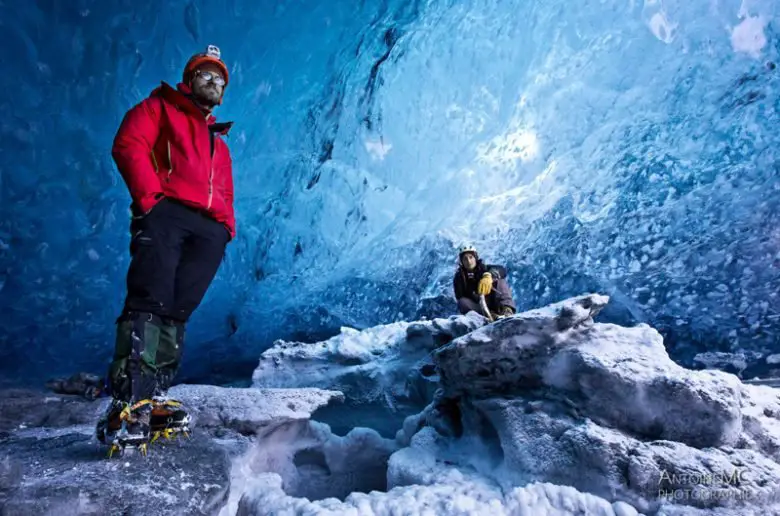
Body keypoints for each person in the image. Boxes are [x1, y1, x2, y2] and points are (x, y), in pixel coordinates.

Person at [96, 45, 236, 454]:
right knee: (149, 299)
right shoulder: (160, 107)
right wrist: (151, 203)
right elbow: (128, 144)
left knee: (177, 310)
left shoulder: (218, 142)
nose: (214, 83)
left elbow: (225, 189)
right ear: (189, 80)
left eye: (220, 80)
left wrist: (225, 226)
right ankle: (129, 401)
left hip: (209, 230)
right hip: (167, 213)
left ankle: (153, 398)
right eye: (206, 76)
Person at [453, 245, 516, 319]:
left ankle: (507, 310)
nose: (469, 261)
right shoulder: (459, 278)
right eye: (465, 259)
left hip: (494, 301)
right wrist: (474, 292)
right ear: (462, 261)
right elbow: (460, 296)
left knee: (500, 281)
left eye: (471, 257)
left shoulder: (485, 268)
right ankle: (484, 317)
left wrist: (489, 275)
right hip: (478, 308)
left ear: (475, 258)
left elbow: (502, 270)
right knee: (462, 302)